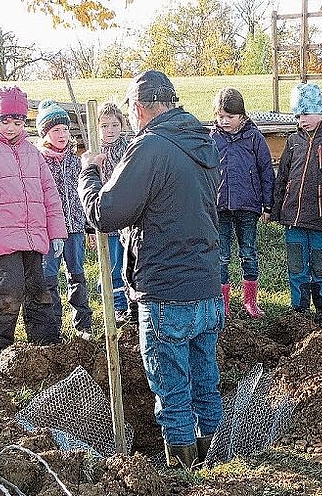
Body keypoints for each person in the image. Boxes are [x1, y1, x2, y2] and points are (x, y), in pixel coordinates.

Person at [79, 71, 223, 468]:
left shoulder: (151, 148)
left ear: (139, 110)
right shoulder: (203, 142)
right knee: (205, 380)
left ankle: (183, 470)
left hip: (166, 288)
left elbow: (106, 212)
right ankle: (217, 460)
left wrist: (88, 175)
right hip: (207, 284)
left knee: (172, 388)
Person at [0, 86, 67, 359]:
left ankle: (46, 341)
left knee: (38, 288)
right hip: (1, 235)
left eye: (17, 122)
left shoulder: (33, 153)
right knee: (10, 286)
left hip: (33, 235)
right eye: (5, 121)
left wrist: (57, 233)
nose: (10, 127)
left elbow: (49, 196)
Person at [270, 83, 322, 325]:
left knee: (320, 268)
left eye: (305, 113)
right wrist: (275, 210)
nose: (301, 119)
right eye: (297, 115)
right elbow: (282, 177)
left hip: (321, 220)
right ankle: (299, 310)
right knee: (296, 267)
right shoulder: (294, 141)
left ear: (320, 111)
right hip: (293, 219)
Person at [211, 88, 275, 319]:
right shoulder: (212, 139)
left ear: (242, 116)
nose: (225, 121)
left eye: (230, 116)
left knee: (248, 252)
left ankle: (250, 301)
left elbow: (266, 171)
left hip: (248, 205)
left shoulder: (254, 137)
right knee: (221, 256)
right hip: (220, 207)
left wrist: (268, 205)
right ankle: (223, 304)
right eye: (221, 116)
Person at [35, 99, 93, 339]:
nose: (62, 134)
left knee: (77, 274)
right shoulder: (39, 161)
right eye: (55, 130)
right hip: (50, 232)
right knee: (49, 277)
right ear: (45, 134)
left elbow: (85, 195)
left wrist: (88, 227)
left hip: (76, 227)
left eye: (65, 129)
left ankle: (83, 325)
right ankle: (53, 325)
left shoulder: (75, 160)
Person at [97, 102, 133, 325]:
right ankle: (114, 304)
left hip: (126, 216)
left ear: (122, 125)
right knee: (111, 264)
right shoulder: (95, 151)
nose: (110, 130)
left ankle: (128, 303)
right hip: (105, 217)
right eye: (104, 126)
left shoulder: (129, 149)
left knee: (127, 262)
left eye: (114, 125)